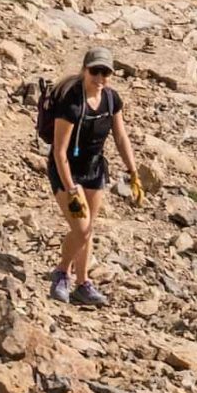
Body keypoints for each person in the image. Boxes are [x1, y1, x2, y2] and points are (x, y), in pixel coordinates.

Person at [48, 45, 141, 306]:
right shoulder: (72, 102)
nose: (100, 78)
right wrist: (70, 188)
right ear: (84, 70)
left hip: (94, 170)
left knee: (87, 230)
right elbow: (59, 150)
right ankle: (62, 272)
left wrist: (133, 172)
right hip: (67, 171)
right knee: (81, 227)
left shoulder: (111, 100)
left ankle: (82, 283)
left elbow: (121, 138)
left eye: (106, 73)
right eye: (95, 71)